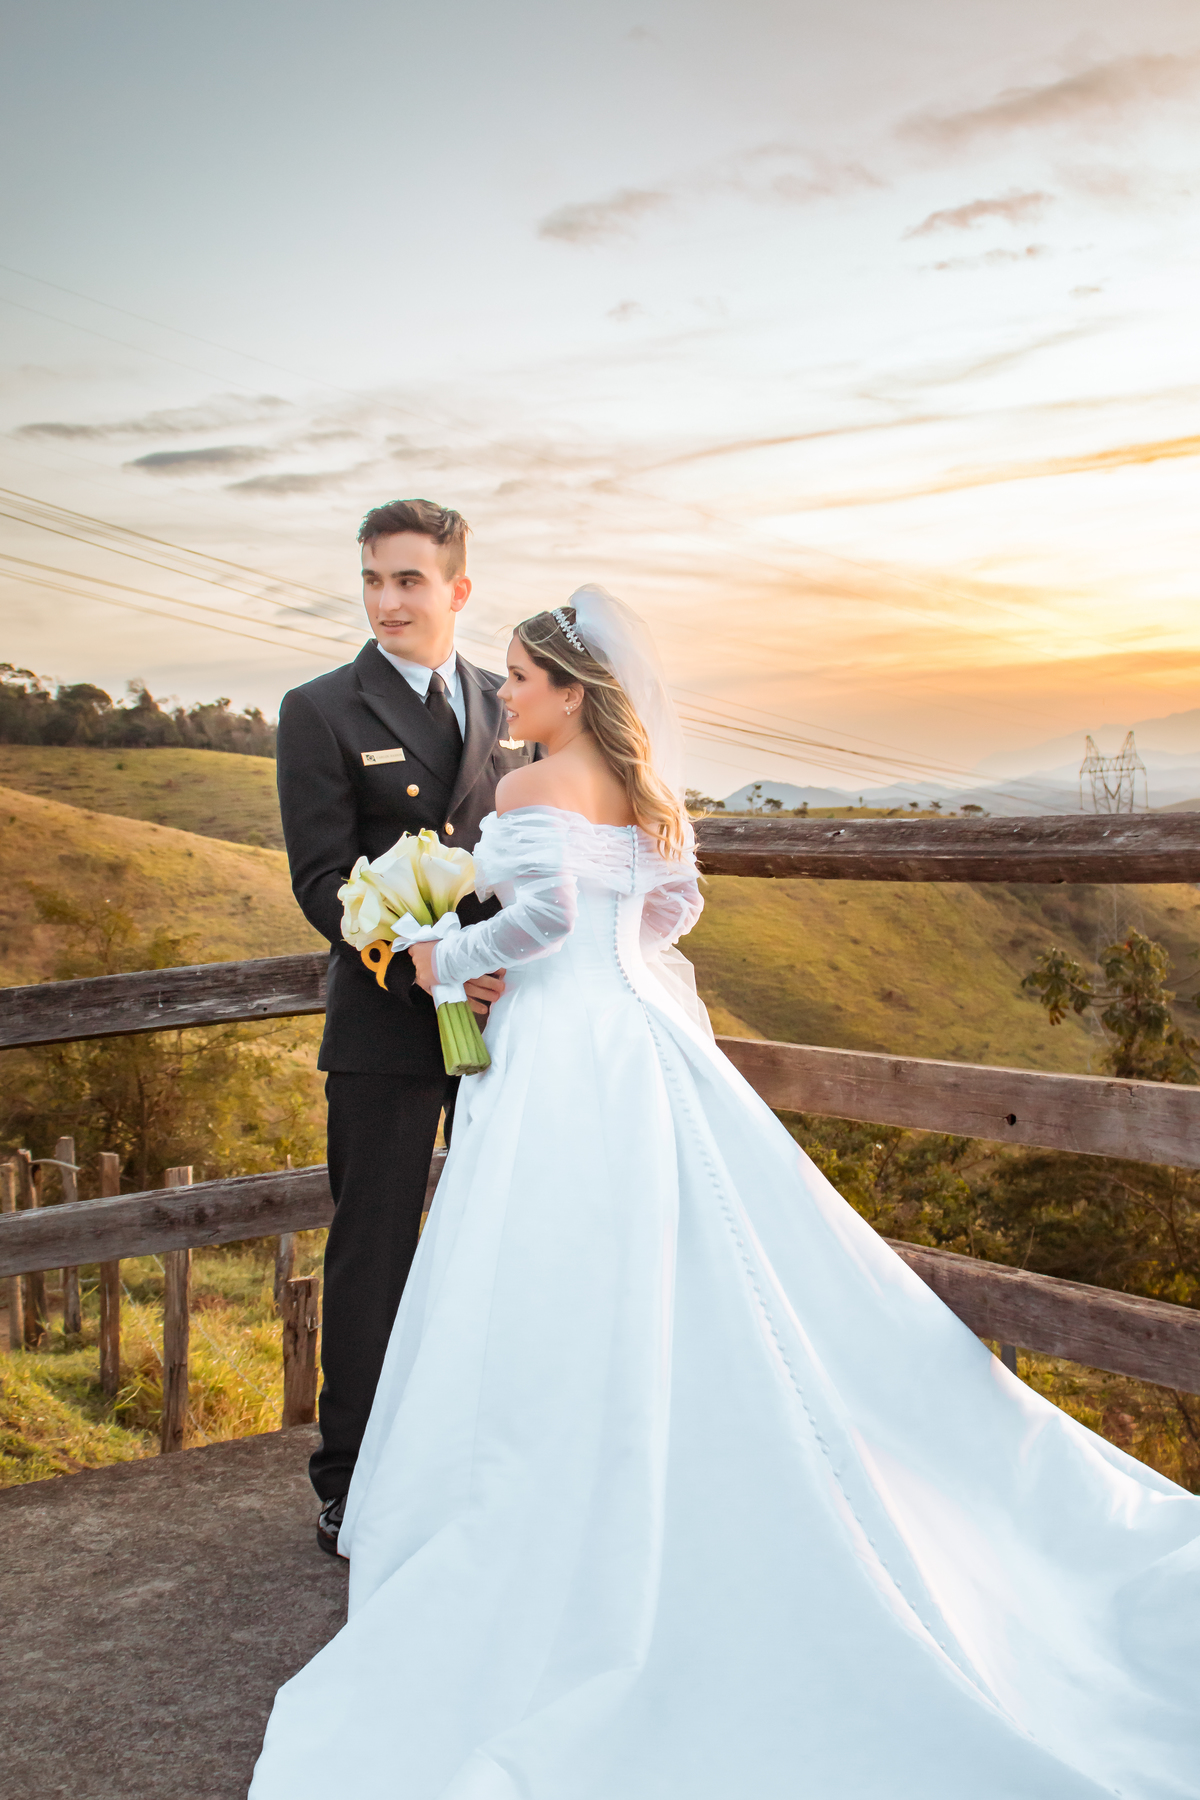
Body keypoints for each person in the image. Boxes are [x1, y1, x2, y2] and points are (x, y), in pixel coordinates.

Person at [255, 586, 1200, 1798]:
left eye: (523, 685)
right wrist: (614, 962)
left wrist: (446, 957)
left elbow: (536, 917)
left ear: (572, 693)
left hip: (561, 1053)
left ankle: (576, 1497)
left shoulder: (530, 789)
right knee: (679, 1263)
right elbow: (672, 907)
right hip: (638, 1033)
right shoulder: (646, 799)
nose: (507, 705)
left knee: (548, 1269)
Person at [275, 498, 534, 1553]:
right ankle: (352, 1480)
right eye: (375, 579)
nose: (388, 601)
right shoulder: (320, 709)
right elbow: (322, 881)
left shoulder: (504, 700)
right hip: (388, 1027)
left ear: (458, 589)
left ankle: (469, 1466)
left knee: (489, 1241)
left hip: (502, 1021)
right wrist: (432, 974)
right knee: (374, 1253)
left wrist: (505, 962)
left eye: (410, 580)